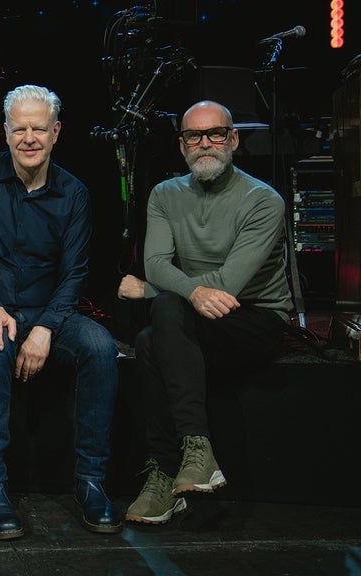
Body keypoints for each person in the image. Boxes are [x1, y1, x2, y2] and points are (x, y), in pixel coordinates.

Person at [0, 84, 122, 539]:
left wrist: (46, 327)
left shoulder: (75, 193)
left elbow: (75, 272)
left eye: (39, 129)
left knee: (100, 347)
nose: (29, 138)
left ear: (56, 132)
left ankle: (91, 481)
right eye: (20, 129)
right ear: (6, 132)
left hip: (50, 311)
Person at [121, 100, 291, 524]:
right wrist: (184, 290)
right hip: (192, 314)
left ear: (233, 140)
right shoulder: (165, 195)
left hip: (255, 316)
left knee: (155, 328)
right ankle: (191, 457)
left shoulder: (263, 201)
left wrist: (151, 290)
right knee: (155, 329)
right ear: (182, 146)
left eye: (215, 133)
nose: (205, 144)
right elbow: (155, 263)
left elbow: (229, 284)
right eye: (193, 136)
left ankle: (169, 468)